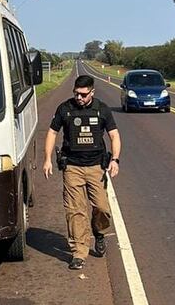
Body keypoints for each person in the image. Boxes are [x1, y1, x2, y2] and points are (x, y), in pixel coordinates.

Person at [43, 75, 121, 270]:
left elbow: (114, 135)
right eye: (76, 93)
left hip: (96, 167)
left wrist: (115, 160)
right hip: (72, 168)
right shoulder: (65, 108)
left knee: (101, 208)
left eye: (83, 94)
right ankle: (79, 252)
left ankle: (100, 233)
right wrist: (47, 159)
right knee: (75, 211)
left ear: (92, 92)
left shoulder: (102, 109)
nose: (79, 97)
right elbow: (52, 132)